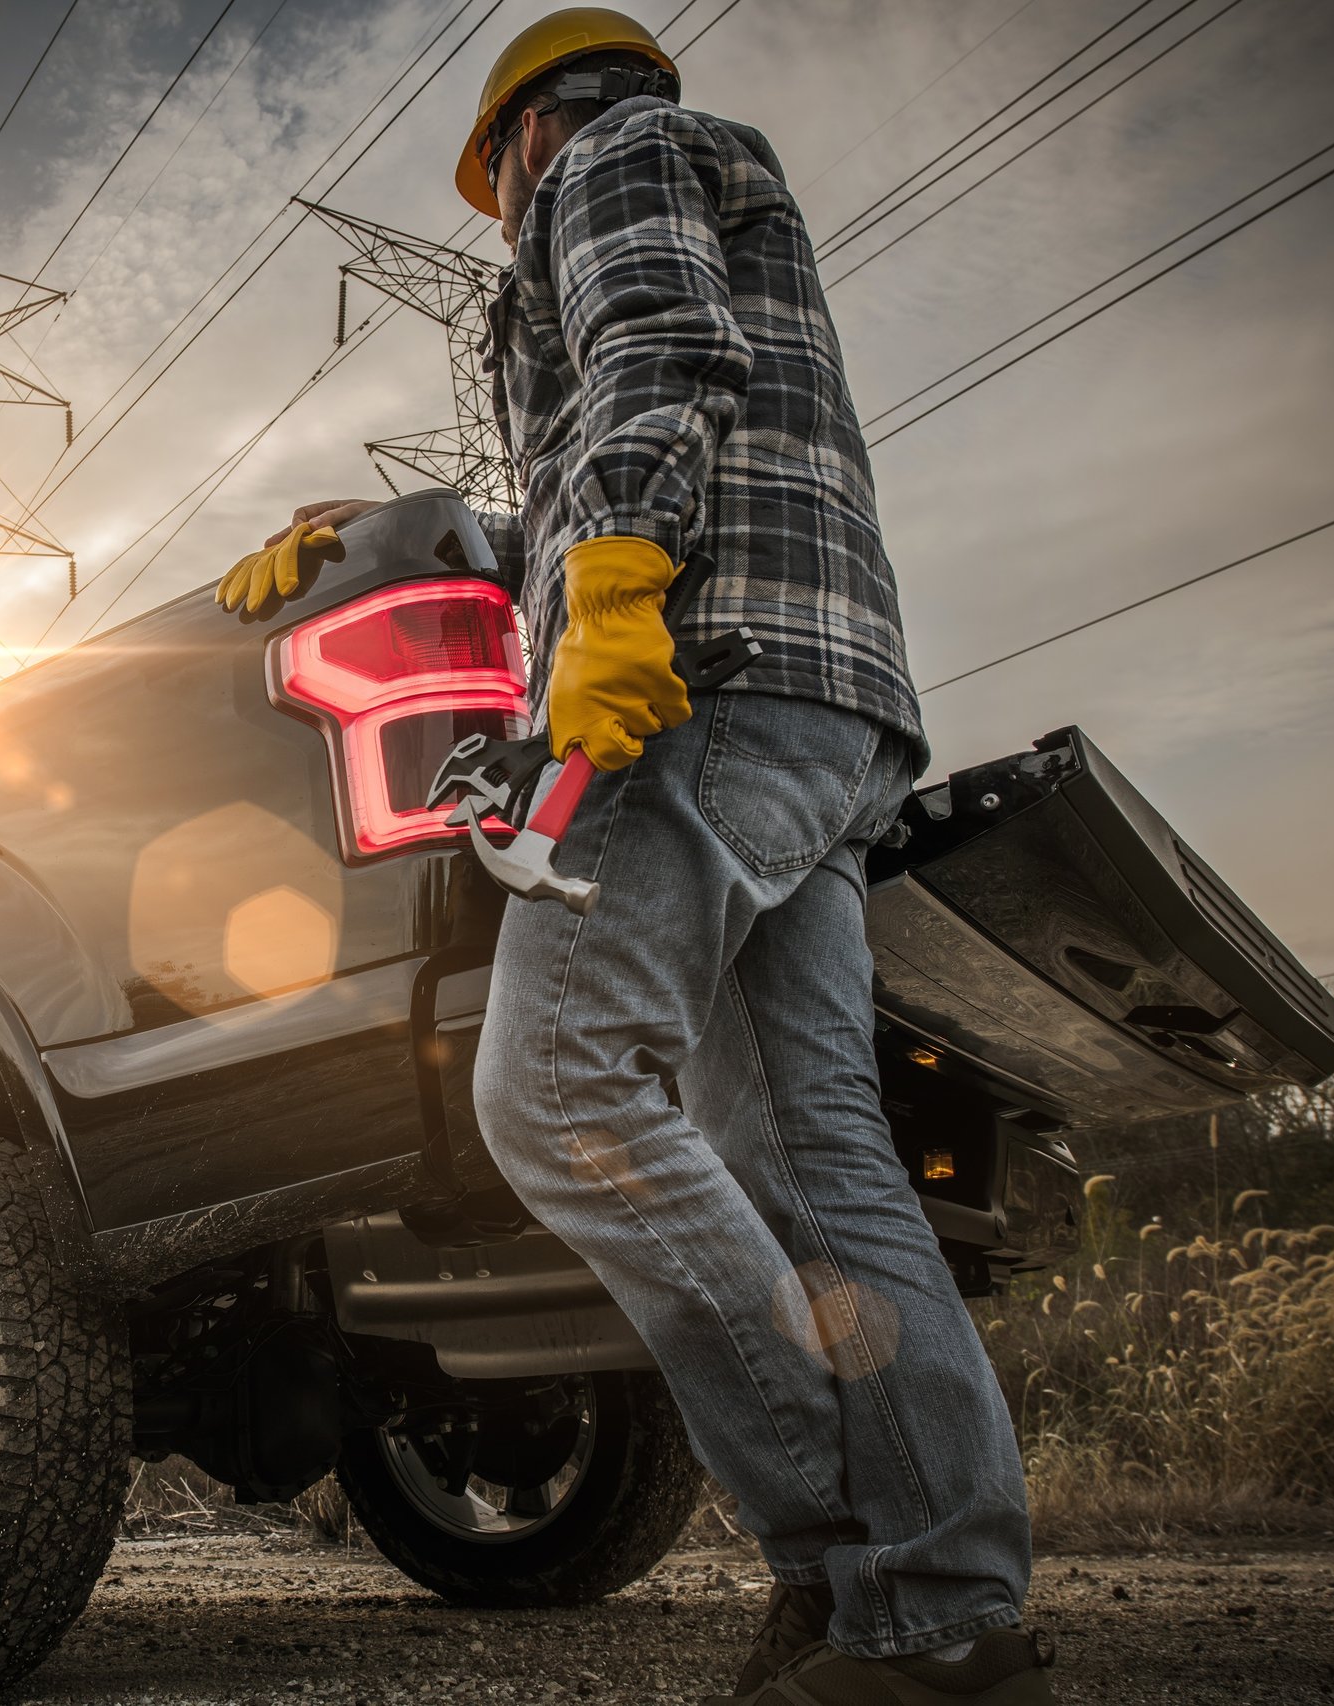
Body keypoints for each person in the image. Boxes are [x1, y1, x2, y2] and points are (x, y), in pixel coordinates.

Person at [216, 11, 1056, 1704]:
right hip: (829, 709)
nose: (500, 215)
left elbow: (658, 357)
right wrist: (367, 539)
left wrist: (609, 594)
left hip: (703, 687)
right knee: (813, 1153)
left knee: (557, 1092)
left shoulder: (609, 160)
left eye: (490, 182)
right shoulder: (712, 180)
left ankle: (849, 1562)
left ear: (525, 133)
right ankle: (944, 1611)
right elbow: (626, 437)